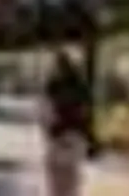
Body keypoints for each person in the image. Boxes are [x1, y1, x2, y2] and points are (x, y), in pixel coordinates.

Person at [41, 44, 95, 196]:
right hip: (75, 138)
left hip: (59, 137)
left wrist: (50, 130)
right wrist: (92, 140)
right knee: (71, 184)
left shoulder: (52, 86)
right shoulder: (84, 88)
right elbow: (88, 116)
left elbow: (45, 113)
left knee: (57, 186)